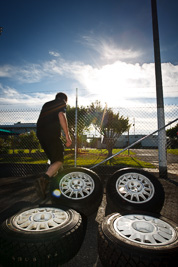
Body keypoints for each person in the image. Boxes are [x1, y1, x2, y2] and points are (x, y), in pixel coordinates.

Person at [35, 92, 72, 199]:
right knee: (59, 160)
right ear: (65, 100)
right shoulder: (61, 102)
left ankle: (59, 182)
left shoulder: (46, 104)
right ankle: (43, 179)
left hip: (41, 134)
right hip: (51, 135)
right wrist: (68, 137)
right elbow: (61, 115)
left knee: (53, 159)